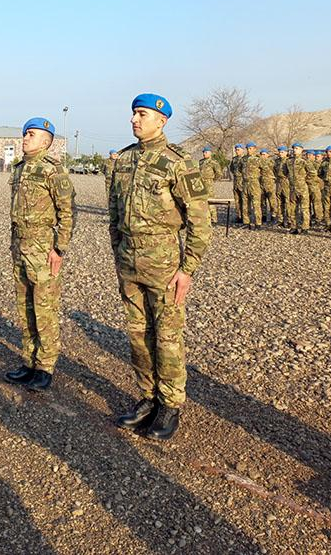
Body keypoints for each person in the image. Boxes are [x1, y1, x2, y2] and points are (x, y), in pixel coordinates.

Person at [109, 93, 212, 441]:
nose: (134, 120)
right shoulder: (123, 160)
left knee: (167, 336)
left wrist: (188, 268)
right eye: (133, 114)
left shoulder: (178, 162)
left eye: (142, 114)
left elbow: (200, 221)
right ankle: (147, 396)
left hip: (164, 262)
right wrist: (118, 250)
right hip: (129, 260)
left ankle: (169, 405)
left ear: (161, 120)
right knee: (138, 334)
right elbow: (114, 213)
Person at [3, 118, 75, 391]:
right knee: (25, 307)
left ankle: (45, 366)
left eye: (31, 135)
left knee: (44, 309)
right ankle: (29, 360)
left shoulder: (52, 171)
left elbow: (67, 213)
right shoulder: (20, 169)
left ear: (46, 141)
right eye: (24, 134)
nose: (25, 138)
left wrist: (59, 248)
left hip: (43, 249)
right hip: (20, 246)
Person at [288, 143, 310, 234]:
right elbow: (285, 172)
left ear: (301, 150)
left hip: (302, 188)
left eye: (297, 148)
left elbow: (312, 173)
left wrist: (303, 181)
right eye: (293, 149)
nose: (294, 150)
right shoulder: (288, 161)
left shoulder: (304, 161)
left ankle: (305, 227)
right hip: (293, 188)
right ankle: (294, 227)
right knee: (293, 208)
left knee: (304, 208)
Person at [242, 142, 262, 229]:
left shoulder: (258, 159)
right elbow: (239, 169)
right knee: (245, 204)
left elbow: (264, 169)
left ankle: (258, 223)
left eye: (250, 148)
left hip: (254, 183)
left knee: (256, 204)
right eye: (247, 148)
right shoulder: (243, 159)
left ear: (254, 149)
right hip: (245, 183)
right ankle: (247, 222)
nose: (249, 150)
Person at [199, 146, 222, 223]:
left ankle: (214, 218)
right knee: (202, 200)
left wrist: (213, 180)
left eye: (206, 152)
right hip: (201, 183)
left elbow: (219, 173)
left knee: (211, 200)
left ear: (210, 153)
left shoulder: (213, 162)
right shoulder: (201, 162)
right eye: (203, 152)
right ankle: (205, 217)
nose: (204, 154)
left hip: (209, 182)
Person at [274, 146, 292, 228]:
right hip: (279, 182)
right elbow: (274, 170)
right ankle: (280, 220)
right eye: (280, 152)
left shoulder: (289, 161)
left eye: (282, 152)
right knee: (279, 201)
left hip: (286, 182)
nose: (281, 154)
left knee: (288, 201)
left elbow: (291, 172)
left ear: (286, 153)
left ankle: (289, 220)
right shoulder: (277, 161)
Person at [305, 150, 323, 225]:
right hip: (306, 185)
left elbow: (320, 175)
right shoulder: (305, 163)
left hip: (315, 186)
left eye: (310, 155)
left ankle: (318, 218)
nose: (308, 156)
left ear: (313, 156)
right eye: (307, 155)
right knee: (307, 203)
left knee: (317, 203)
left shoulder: (317, 164)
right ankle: (308, 218)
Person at [229, 144, 245, 223]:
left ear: (242, 150)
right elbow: (231, 168)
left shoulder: (245, 159)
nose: (237, 151)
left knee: (244, 200)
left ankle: (245, 217)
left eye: (238, 149)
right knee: (237, 200)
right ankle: (239, 216)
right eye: (236, 150)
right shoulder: (234, 159)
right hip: (236, 182)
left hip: (243, 182)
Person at [259, 148, 276, 224]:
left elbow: (268, 168)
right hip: (261, 182)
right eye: (261, 154)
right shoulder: (259, 161)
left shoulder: (271, 161)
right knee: (262, 200)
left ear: (268, 155)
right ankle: (264, 215)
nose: (262, 156)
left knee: (272, 200)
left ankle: (274, 215)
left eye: (264, 154)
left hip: (269, 183)